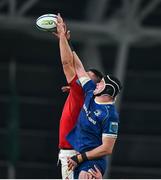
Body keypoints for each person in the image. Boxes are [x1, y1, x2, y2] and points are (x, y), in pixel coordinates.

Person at [53, 14, 103, 179]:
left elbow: (68, 64)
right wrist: (66, 41)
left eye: (85, 76)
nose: (80, 75)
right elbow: (74, 64)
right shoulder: (88, 94)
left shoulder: (81, 90)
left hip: (73, 154)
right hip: (80, 153)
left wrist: (62, 37)